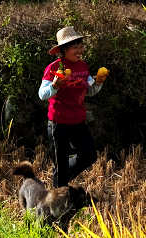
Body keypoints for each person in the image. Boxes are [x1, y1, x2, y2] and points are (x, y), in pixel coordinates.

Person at [38, 27, 109, 187]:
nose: (79, 50)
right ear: (63, 50)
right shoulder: (55, 68)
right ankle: (60, 188)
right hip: (58, 122)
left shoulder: (83, 66)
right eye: (74, 47)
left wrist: (98, 82)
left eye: (80, 46)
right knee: (61, 164)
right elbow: (42, 94)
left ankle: (59, 180)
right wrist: (55, 86)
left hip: (78, 120)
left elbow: (89, 91)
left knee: (89, 155)